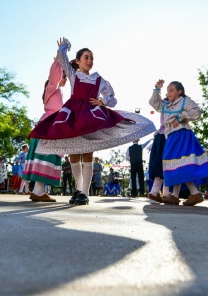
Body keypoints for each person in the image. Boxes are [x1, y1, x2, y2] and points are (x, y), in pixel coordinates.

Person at [30, 37, 155, 206]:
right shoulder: (74, 75)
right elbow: (62, 58)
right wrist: (65, 46)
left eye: (91, 58)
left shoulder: (98, 79)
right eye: (86, 57)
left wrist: (103, 102)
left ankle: (85, 192)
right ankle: (78, 189)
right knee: (74, 154)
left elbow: (112, 97)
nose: (89, 61)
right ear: (78, 61)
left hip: (91, 117)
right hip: (73, 116)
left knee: (87, 154)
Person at [150, 80, 208, 206]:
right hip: (171, 136)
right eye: (167, 91)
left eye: (171, 90)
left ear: (180, 92)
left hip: (182, 133)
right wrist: (157, 89)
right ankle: (183, 194)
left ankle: (193, 194)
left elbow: (197, 113)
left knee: (179, 163)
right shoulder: (167, 105)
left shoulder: (184, 101)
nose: (168, 93)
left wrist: (181, 117)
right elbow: (154, 103)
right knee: (176, 164)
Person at [24, 57, 68, 202]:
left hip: (52, 126)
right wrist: (60, 61)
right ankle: (37, 191)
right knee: (44, 156)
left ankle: (38, 190)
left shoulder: (58, 92)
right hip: (47, 126)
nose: (65, 78)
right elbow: (53, 77)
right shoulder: (52, 88)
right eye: (64, 75)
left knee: (45, 156)